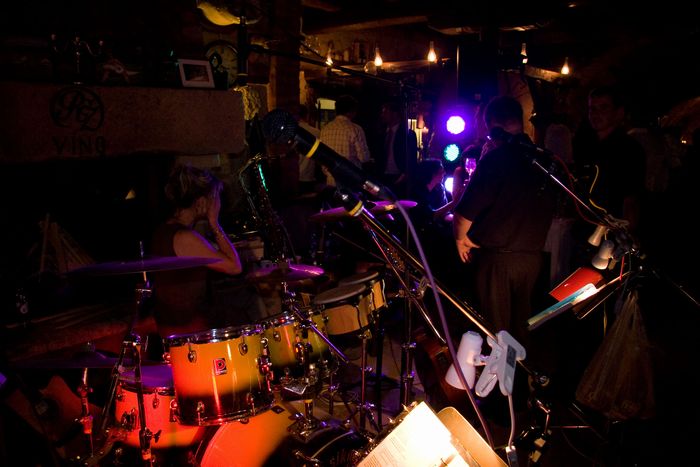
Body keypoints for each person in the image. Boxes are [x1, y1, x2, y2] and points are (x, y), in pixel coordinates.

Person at [452, 95, 557, 351]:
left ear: (493, 126)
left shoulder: (496, 158)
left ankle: (501, 376)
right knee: (521, 327)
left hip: (498, 260)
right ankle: (519, 373)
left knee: (496, 332)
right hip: (532, 259)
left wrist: (460, 240)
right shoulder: (545, 160)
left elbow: (464, 213)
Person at [150, 164, 244, 338]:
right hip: (187, 329)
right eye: (214, 199)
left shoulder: (165, 230)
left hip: (181, 325)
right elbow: (234, 267)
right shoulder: (184, 237)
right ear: (201, 202)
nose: (217, 204)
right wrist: (214, 223)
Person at [572, 85, 646, 236]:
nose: (596, 114)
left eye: (604, 108)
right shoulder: (586, 144)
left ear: (619, 113)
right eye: (592, 109)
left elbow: (631, 197)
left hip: (610, 230)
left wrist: (626, 233)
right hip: (584, 226)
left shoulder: (629, 149)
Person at [319, 94, 373, 195]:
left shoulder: (325, 129)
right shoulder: (355, 129)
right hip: (351, 181)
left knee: (335, 205)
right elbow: (364, 158)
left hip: (331, 181)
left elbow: (321, 157)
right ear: (351, 111)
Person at [376, 99, 418, 198]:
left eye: (385, 112)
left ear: (395, 114)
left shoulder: (407, 134)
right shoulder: (381, 133)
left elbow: (411, 157)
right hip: (383, 176)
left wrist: (404, 174)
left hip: (400, 177)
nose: (382, 115)